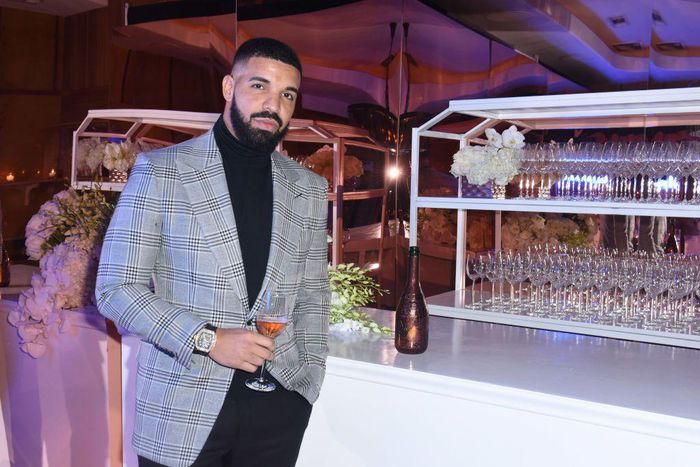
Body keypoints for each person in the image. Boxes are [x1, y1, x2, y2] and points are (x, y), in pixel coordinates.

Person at [96, 38, 330, 467]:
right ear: (228, 87)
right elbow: (115, 289)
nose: (273, 105)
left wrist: (306, 385)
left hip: (277, 410)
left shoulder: (310, 188)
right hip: (183, 404)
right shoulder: (162, 170)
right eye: (259, 86)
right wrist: (208, 340)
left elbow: (314, 294)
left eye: (287, 94)